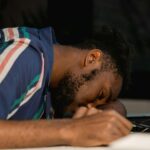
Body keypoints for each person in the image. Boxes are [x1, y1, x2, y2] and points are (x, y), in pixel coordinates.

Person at [0, 26, 132, 148]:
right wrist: (71, 129)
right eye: (100, 94)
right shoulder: (25, 55)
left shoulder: (54, 88)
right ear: (92, 59)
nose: (91, 107)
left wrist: (112, 113)